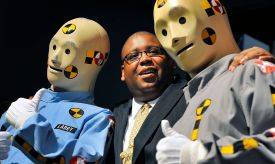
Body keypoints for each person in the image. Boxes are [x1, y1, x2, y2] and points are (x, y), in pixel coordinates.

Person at [104, 31, 274, 164]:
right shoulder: (112, 116)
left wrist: (258, 63)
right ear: (122, 73)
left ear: (171, 62)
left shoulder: (195, 95)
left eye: (154, 51)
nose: (145, 59)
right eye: (133, 56)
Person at [153, 0, 275, 163]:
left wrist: (202, 154)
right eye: (164, 32)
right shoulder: (183, 107)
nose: (173, 38)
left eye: (182, 20)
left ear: (215, 14)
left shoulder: (255, 72)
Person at [0, 17, 113, 163]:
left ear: (96, 60)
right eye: (54, 47)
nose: (55, 58)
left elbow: (84, 160)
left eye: (68, 51)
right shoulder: (21, 107)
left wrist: (30, 125)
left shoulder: (97, 119)